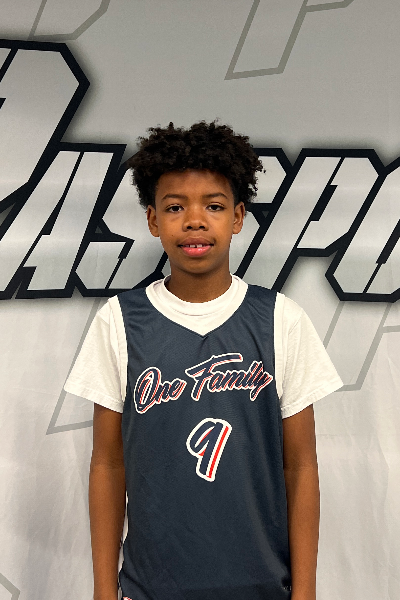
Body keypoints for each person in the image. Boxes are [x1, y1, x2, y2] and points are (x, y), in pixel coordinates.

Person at [64, 120, 343, 600]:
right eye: (175, 207)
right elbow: (108, 465)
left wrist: (306, 592)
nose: (194, 220)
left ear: (237, 217)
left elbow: (301, 467)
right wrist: (103, 591)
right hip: (150, 588)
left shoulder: (281, 319)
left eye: (213, 205)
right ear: (153, 220)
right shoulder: (120, 321)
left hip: (262, 586)